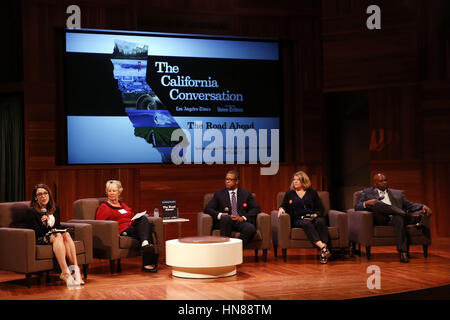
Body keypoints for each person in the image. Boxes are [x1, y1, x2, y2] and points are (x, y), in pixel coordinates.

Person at [355, 172, 432, 263]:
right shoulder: (367, 192)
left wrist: (422, 206)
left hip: (394, 218)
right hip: (380, 219)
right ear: (375, 184)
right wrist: (367, 203)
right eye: (381, 181)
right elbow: (357, 206)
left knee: (399, 217)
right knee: (376, 203)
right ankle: (408, 217)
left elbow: (409, 205)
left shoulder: (397, 193)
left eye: (385, 180)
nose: (384, 182)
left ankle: (403, 252)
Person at [26, 184, 84, 286]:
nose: (43, 196)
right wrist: (44, 223)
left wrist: (59, 228)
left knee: (66, 234)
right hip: (40, 237)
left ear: (49, 195)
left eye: (45, 193)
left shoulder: (55, 207)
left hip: (53, 235)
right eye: (40, 194)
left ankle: (75, 271)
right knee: (58, 236)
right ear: (35, 198)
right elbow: (35, 231)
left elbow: (57, 225)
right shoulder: (32, 211)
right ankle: (65, 272)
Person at [96, 180, 158, 272]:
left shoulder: (123, 205)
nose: (111, 193)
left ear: (119, 192)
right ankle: (147, 262)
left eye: (114, 191)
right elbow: (99, 224)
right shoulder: (104, 207)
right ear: (107, 192)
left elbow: (131, 215)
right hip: (122, 231)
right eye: (109, 191)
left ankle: (145, 243)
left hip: (131, 227)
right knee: (147, 230)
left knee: (144, 219)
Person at [277, 171, 331, 264]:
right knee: (306, 224)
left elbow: (320, 208)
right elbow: (283, 205)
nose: (295, 182)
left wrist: (314, 215)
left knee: (321, 222)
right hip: (298, 219)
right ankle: (323, 248)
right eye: (294, 180)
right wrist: (281, 208)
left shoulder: (312, 193)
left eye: (298, 180)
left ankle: (323, 253)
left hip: (313, 216)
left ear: (304, 181)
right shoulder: (289, 194)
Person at [204, 170, 260, 247]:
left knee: (250, 228)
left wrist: (243, 218)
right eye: (226, 179)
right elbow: (208, 209)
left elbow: (256, 208)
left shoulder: (246, 194)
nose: (227, 182)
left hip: (239, 222)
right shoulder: (219, 194)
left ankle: (235, 248)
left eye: (230, 179)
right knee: (226, 218)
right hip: (225, 222)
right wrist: (221, 215)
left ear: (237, 181)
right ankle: (225, 248)